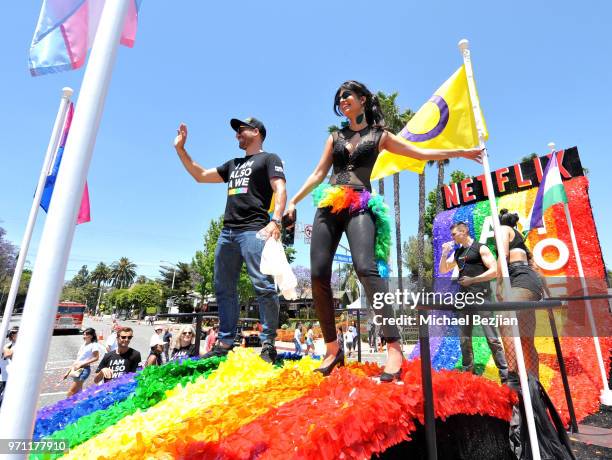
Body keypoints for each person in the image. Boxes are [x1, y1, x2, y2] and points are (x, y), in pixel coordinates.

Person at [284, 81, 483, 380]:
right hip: (328, 204)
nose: (342, 101)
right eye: (339, 98)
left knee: (366, 269)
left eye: (347, 95)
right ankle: (332, 349)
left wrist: (462, 152)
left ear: (362, 99)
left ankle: (393, 347)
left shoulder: (380, 136)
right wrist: (293, 201)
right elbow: (317, 173)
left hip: (360, 204)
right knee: (317, 274)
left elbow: (419, 153)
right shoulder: (334, 137)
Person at [174, 117, 286, 364]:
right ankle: (225, 343)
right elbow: (201, 175)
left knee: (263, 286)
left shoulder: (269, 159)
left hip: (255, 230)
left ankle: (268, 344)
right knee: (223, 287)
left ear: (256, 132)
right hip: (227, 233)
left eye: (241, 130)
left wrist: (275, 220)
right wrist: (181, 149)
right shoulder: (233, 164)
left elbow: (279, 188)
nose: (237, 134)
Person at [439, 222, 509, 383]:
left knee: (491, 338)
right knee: (464, 338)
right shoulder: (458, 253)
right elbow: (443, 270)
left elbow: (494, 270)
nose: (452, 237)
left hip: (482, 297)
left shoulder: (481, 248)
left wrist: (473, 280)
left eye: (454, 234)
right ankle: (468, 375)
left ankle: (505, 375)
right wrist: (444, 254)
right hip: (464, 300)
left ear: (464, 232)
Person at [495, 209, 545, 379]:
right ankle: (534, 386)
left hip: (521, 281)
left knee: (504, 318)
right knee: (526, 340)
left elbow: (503, 255)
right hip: (530, 283)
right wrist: (546, 293)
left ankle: (513, 378)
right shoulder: (521, 243)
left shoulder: (503, 230)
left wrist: (498, 285)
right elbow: (537, 269)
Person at [67, 328, 100, 396]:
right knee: (79, 391)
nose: (84, 336)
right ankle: (81, 404)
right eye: (84, 334)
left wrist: (82, 364)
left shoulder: (94, 345)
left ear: (91, 336)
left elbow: (96, 357)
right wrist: (68, 371)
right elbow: (78, 359)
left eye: (86, 334)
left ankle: (66, 405)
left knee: (71, 392)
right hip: (77, 370)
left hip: (84, 370)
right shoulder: (84, 344)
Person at [0, 327, 18, 406]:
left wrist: (4, 349)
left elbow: (8, 354)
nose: (11, 335)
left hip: (10, 378)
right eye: (11, 334)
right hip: (3, 377)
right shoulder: (8, 345)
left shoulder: (21, 346)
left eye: (14, 333)